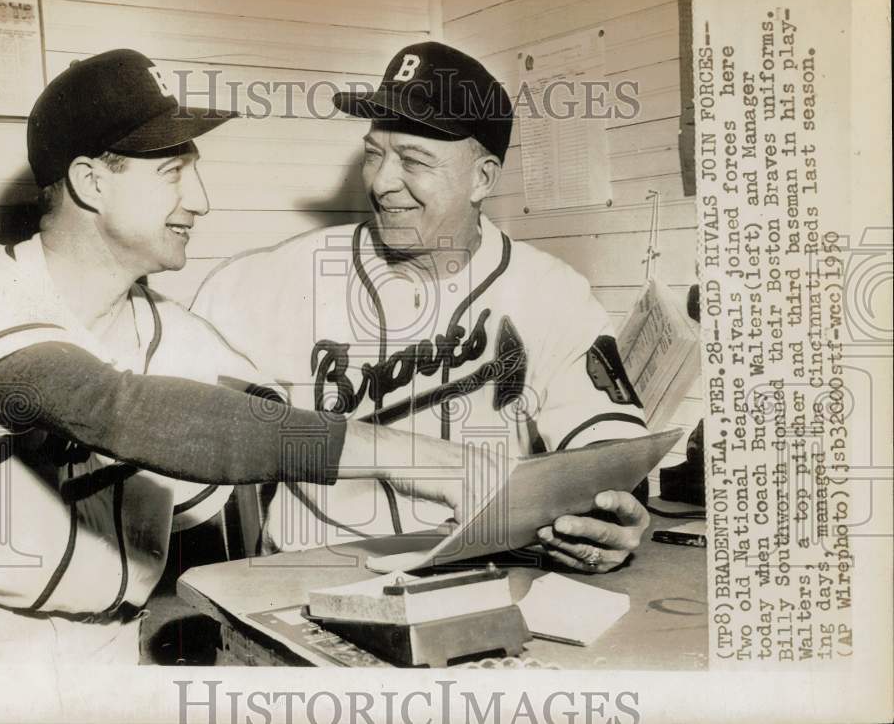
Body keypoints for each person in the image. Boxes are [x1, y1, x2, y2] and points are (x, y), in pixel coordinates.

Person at [0, 48, 493, 664]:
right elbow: (114, 407)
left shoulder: (177, 332)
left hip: (115, 649)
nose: (201, 200)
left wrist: (522, 501)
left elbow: (267, 426)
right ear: (91, 182)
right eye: (173, 171)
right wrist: (433, 461)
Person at [192, 41, 651, 573]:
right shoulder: (272, 279)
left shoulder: (551, 293)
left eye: (413, 160)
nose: (383, 183)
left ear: (482, 178)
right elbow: (172, 412)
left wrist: (611, 518)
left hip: (488, 568)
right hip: (308, 572)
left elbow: (608, 446)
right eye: (374, 153)